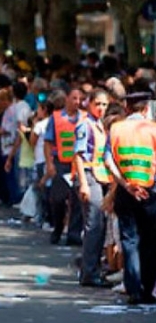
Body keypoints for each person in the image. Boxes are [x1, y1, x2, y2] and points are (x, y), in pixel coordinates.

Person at [106, 90, 156, 304]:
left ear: (127, 108)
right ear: (146, 109)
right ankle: (147, 289)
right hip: (150, 190)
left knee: (129, 240)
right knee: (150, 241)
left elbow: (108, 159)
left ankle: (133, 289)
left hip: (125, 192)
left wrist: (126, 185)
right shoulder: (153, 129)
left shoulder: (116, 129)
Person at [73, 89, 112, 287]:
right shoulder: (85, 125)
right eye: (97, 104)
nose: (101, 108)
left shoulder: (99, 126)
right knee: (94, 225)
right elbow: (79, 155)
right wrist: (84, 184)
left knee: (99, 225)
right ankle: (89, 273)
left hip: (99, 177)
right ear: (90, 104)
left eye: (104, 105)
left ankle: (92, 270)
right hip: (89, 177)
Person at [44, 88, 86, 245]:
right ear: (67, 98)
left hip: (79, 164)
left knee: (77, 200)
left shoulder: (84, 118)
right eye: (74, 98)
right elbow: (48, 142)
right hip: (61, 164)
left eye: (80, 99)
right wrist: (49, 164)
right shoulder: (55, 118)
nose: (77, 102)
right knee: (58, 199)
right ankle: (58, 227)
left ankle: (73, 234)